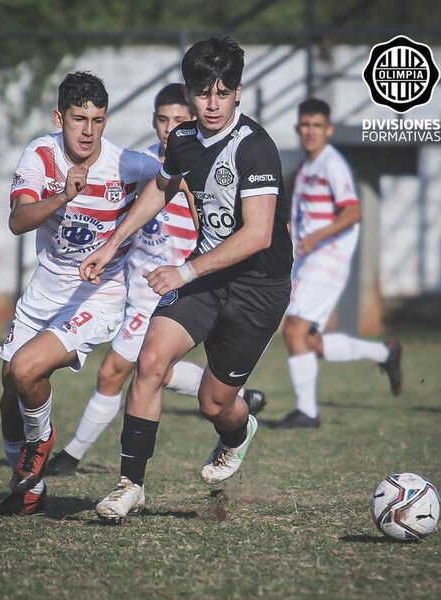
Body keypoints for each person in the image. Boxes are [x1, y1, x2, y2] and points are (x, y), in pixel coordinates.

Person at [79, 37, 293, 520]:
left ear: (239, 92)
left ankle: (239, 432)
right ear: (190, 94)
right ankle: (130, 484)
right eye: (203, 92)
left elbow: (259, 234)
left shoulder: (256, 148)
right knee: (150, 360)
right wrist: (112, 243)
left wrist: (183, 269)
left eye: (223, 92)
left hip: (258, 288)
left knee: (215, 404)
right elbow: (161, 186)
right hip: (205, 277)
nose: (212, 103)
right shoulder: (183, 140)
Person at [46, 83, 266, 477]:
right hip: (134, 285)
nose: (169, 128)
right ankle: (237, 399)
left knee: (116, 370)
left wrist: (191, 271)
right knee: (154, 370)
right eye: (162, 120)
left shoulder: (202, 169)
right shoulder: (146, 166)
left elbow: (214, 233)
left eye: (179, 120)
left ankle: (74, 456)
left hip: (173, 286)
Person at [0, 71, 160, 515]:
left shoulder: (127, 165)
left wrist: (196, 236)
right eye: (78, 119)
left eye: (98, 120)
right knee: (11, 392)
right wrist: (62, 197)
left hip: (97, 297)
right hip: (43, 292)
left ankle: (42, 440)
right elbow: (18, 220)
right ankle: (27, 489)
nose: (88, 131)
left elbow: (172, 181)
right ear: (58, 117)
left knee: (27, 369)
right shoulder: (41, 156)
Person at [271, 97, 402, 429]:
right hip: (306, 260)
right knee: (308, 341)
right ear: (297, 128)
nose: (310, 132)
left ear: (328, 130)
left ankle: (308, 412)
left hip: (326, 259)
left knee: (295, 330)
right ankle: (385, 354)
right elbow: (301, 217)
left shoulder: (333, 164)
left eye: (317, 126)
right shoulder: (305, 167)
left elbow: (353, 211)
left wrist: (317, 237)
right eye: (305, 125)